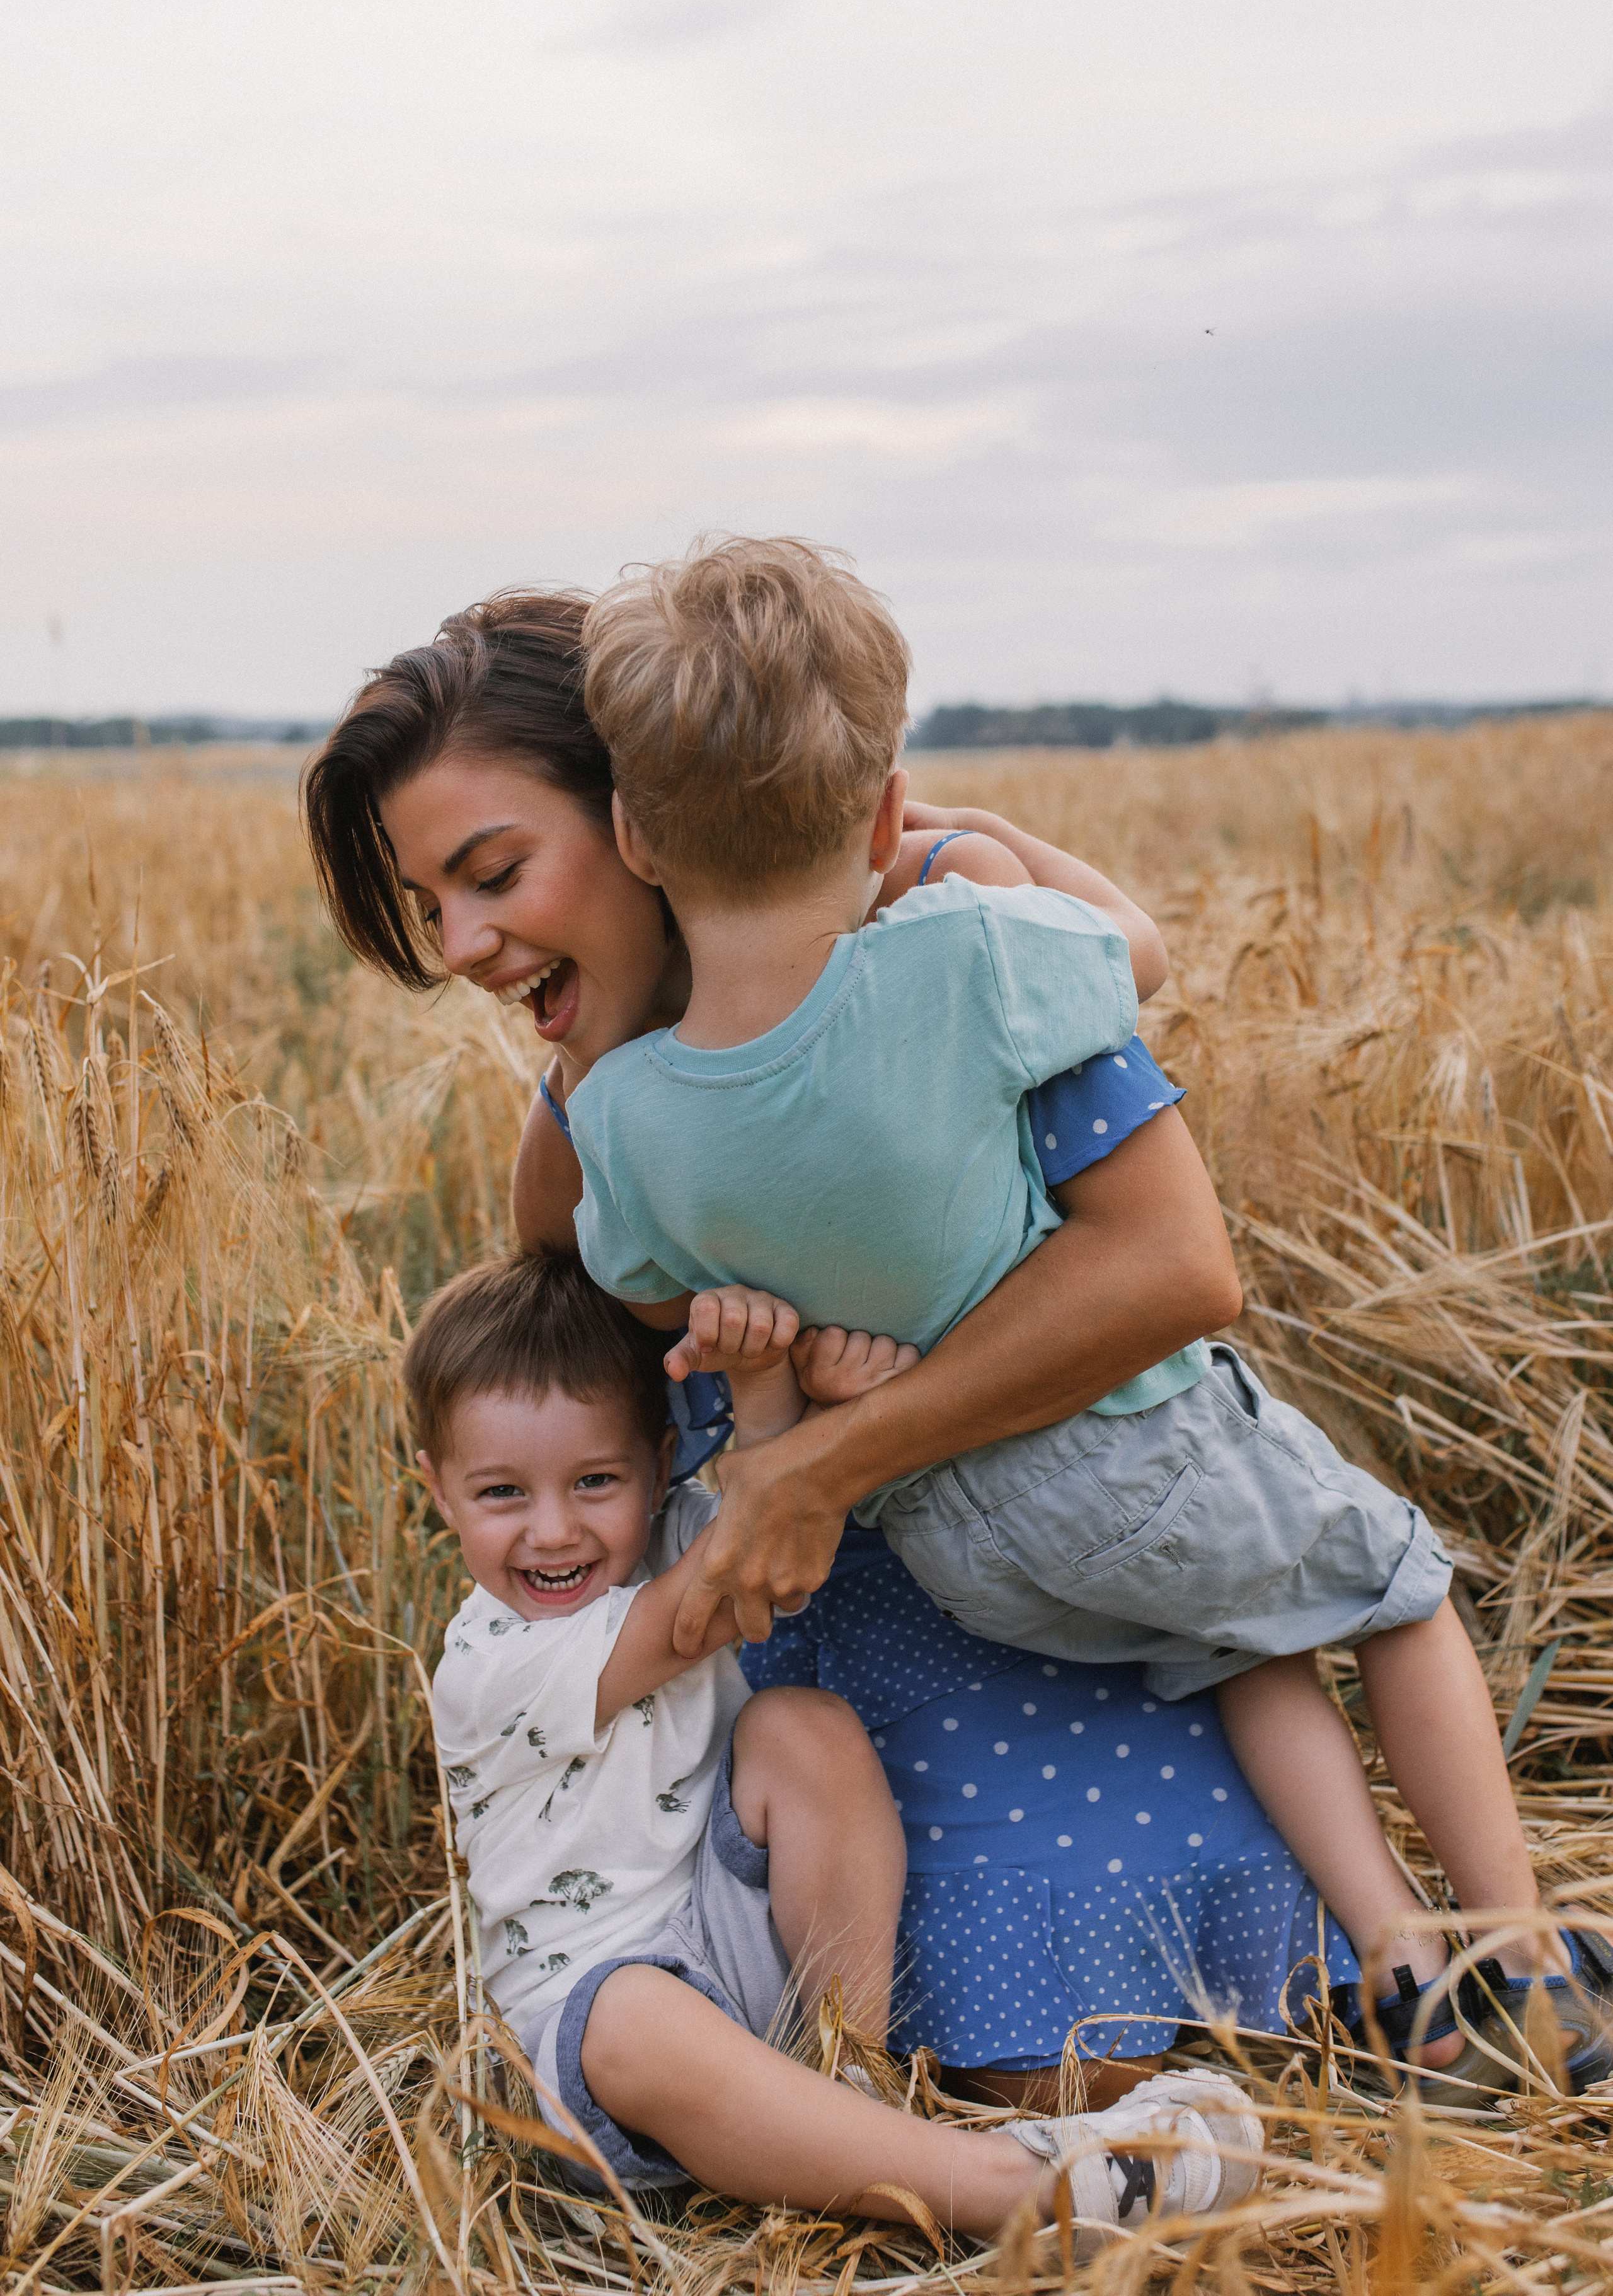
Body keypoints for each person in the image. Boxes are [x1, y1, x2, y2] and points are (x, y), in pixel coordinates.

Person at [299, 591, 1411, 2105]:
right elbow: (593, 1393)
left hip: (1050, 1585)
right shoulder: (584, 1125)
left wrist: (827, 1457)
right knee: (952, 2059)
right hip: (783, 1679)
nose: (463, 947)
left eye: (491, 876)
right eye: (433, 907)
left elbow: (1171, 1268)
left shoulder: (944, 964)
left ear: (641, 820)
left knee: (1139, 2049)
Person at [569, 534, 1610, 2097]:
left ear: (634, 840)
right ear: (876, 806)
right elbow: (1143, 957)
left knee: (1245, 1651)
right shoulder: (967, 956)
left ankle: (1394, 1949)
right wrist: (987, 843)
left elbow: (639, 1274)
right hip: (1117, 1444)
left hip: (945, 1534)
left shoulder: (627, 1107)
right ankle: (1511, 1956)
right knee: (1391, 1597)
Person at [410, 1245, 1264, 2242]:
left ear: (655, 1461)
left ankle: (851, 2072)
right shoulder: (488, 1663)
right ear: (437, 1489)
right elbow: (724, 1591)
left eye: (595, 1480)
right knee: (631, 2017)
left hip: (733, 1942)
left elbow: (778, 1528)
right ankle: (1011, 2190)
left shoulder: (670, 1536)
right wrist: (798, 1402)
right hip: (588, 2041)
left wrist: (777, 1393)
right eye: (503, 1494)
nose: (553, 1531)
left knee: (801, 1730)